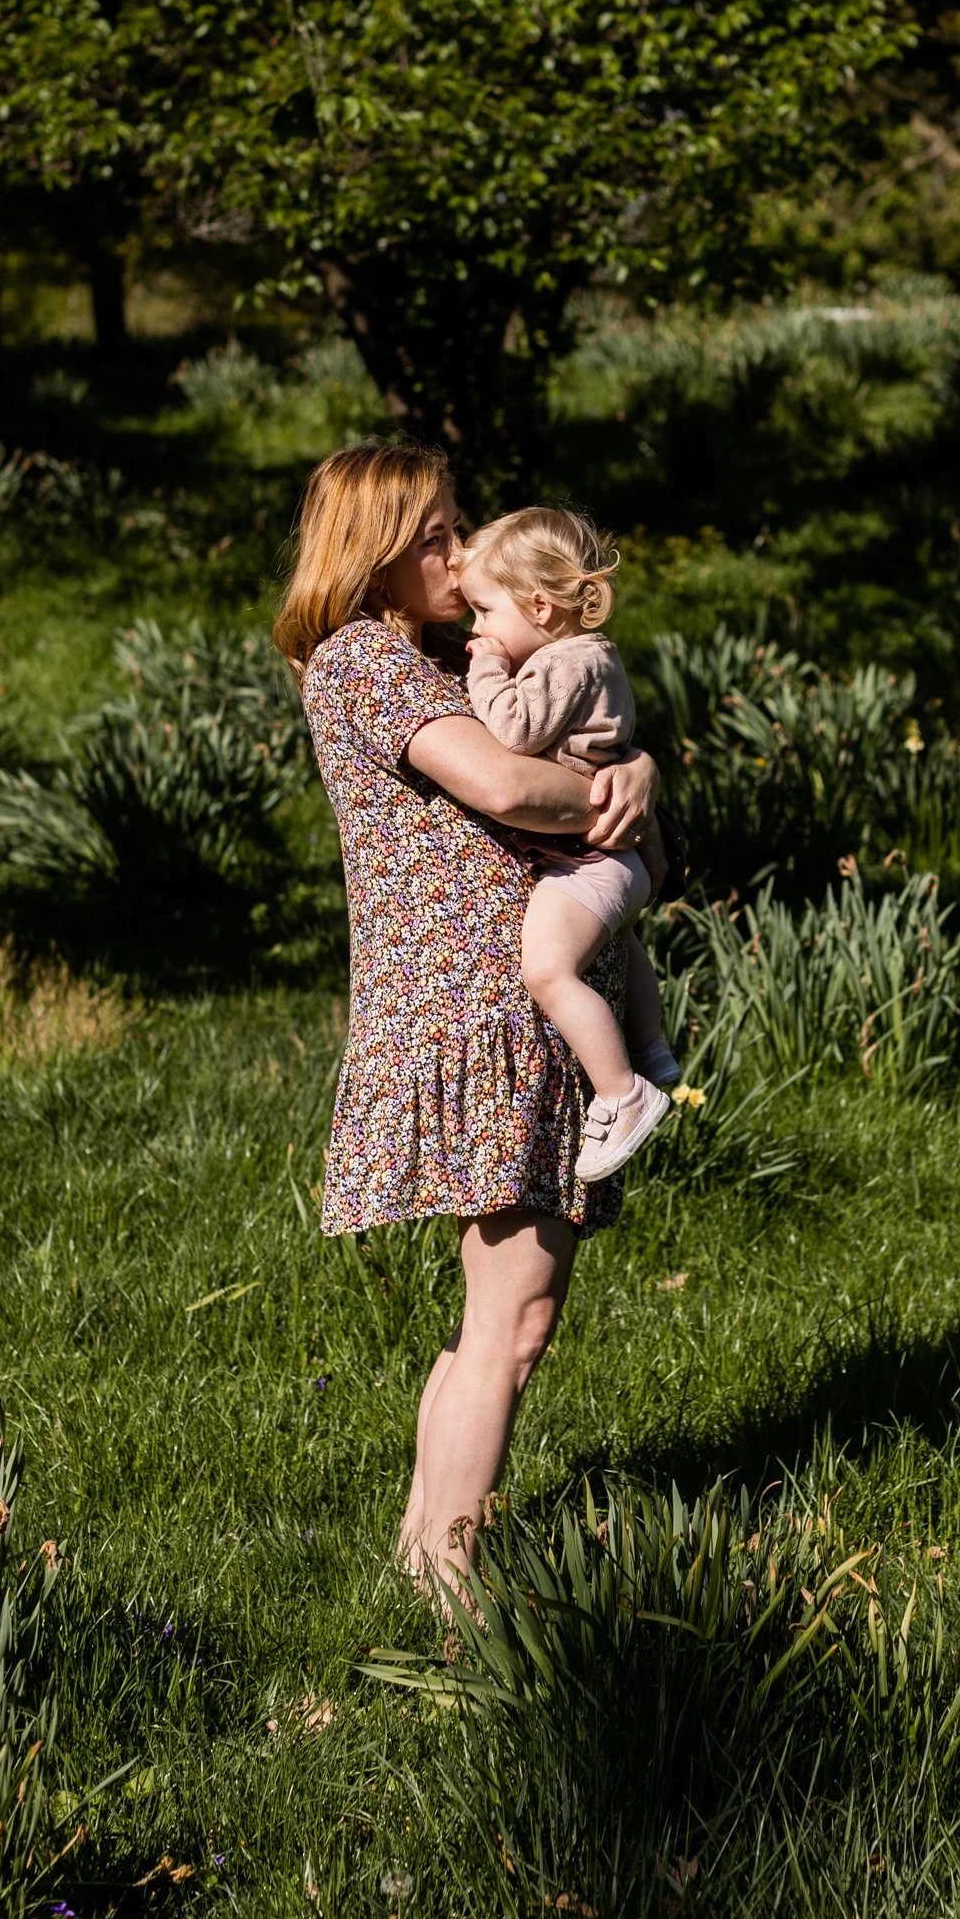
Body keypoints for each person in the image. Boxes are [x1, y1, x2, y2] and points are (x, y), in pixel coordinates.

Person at [275, 442, 659, 1592]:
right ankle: (449, 1585)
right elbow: (498, 785)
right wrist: (620, 792)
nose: (458, 551)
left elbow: (571, 729)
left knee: (505, 1316)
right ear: (376, 555)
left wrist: (633, 759)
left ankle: (420, 1560)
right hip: (469, 1008)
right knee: (513, 1317)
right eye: (433, 536)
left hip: (520, 1002)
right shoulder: (360, 663)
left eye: (455, 527)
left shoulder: (449, 656)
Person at [459, 505, 677, 1185]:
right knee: (621, 943)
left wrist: (489, 671)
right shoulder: (592, 656)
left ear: (541, 607)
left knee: (549, 972)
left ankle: (622, 1093)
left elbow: (517, 733)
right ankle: (653, 1048)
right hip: (618, 862)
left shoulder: (563, 663)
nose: (478, 630)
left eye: (486, 613)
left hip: (589, 862)